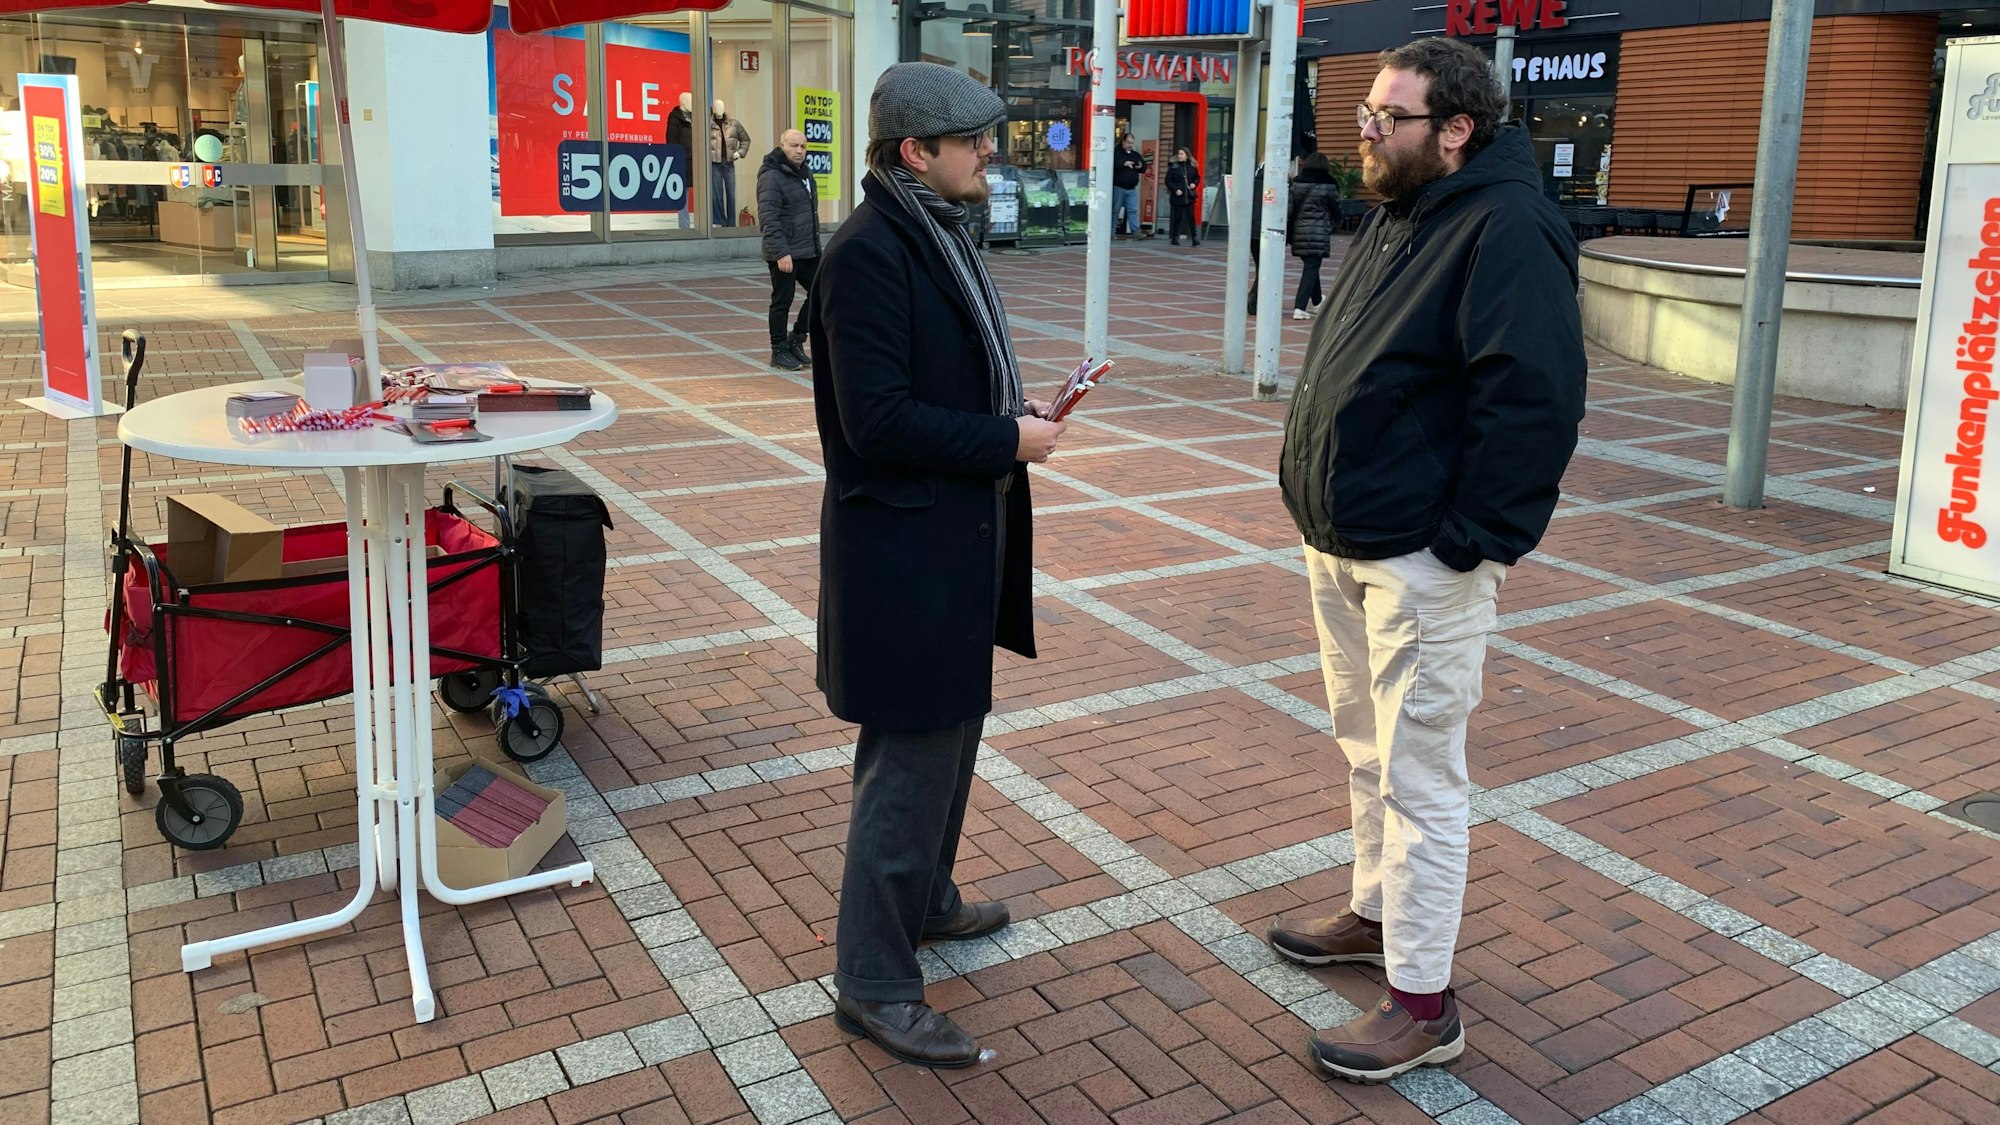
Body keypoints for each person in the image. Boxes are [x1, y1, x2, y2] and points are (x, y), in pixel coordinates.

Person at [1269, 37, 1586, 1084]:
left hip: (1421, 558)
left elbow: (1531, 399)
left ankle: (1421, 1002)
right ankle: (1374, 915)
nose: (1364, 132)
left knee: (1419, 778)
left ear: (1453, 129)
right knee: (1364, 747)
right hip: (1344, 537)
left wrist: (1468, 543)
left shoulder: (1505, 225)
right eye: (1362, 113)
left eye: (1385, 119)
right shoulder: (1400, 212)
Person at [811, 61, 1067, 1069]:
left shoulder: (933, 235)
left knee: (950, 737)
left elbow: (943, 386)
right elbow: (873, 424)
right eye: (973, 143)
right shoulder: (871, 252)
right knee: (908, 764)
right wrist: (1005, 439)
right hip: (904, 556)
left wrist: (1014, 420)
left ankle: (926, 900)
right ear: (915, 152)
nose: (989, 158)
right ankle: (872, 981)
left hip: (950, 545)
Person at [758, 129, 821, 371]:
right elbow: (768, 217)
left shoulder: (804, 173)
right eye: (794, 146)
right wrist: (780, 252)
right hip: (784, 252)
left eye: (803, 147)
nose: (799, 151)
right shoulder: (772, 176)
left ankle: (797, 338)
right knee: (782, 301)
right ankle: (779, 350)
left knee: (821, 291)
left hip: (808, 250)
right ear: (782, 145)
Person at [1286, 152, 1341, 320]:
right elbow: (1337, 210)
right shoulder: (1329, 185)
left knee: (1311, 266)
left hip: (1299, 232)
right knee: (1311, 267)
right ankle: (1300, 307)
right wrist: (1333, 225)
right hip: (1318, 232)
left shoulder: (1296, 184)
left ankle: (1317, 302)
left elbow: (1290, 210)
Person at [710, 100, 752, 227]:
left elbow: (746, 139)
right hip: (714, 162)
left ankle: (731, 223)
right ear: (713, 109)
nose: (719, 109)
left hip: (728, 162)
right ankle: (719, 221)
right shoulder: (708, 124)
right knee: (716, 193)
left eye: (721, 107)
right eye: (717, 107)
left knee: (731, 193)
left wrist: (740, 152)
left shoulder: (733, 124)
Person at [667, 93, 696, 228]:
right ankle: (684, 226)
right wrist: (675, 160)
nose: (692, 103)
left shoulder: (695, 119)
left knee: (703, 191)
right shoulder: (675, 119)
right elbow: (671, 142)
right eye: (690, 101)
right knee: (683, 195)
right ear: (683, 102)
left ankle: (705, 223)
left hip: (696, 160)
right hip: (683, 161)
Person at [1112, 134, 1148, 238]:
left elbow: (1144, 167)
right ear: (1123, 142)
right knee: (1115, 210)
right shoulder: (1116, 152)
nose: (1130, 145)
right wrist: (1124, 163)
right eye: (1128, 143)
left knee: (1133, 210)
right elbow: (1114, 164)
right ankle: (1111, 232)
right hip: (1118, 186)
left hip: (1131, 188)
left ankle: (1136, 231)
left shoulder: (1135, 154)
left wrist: (1140, 166)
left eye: (1131, 143)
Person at [1164, 147, 1200, 247]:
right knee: (1177, 218)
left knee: (1191, 217)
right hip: (1178, 197)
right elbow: (1168, 181)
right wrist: (1175, 190)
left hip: (1189, 197)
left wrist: (1194, 184)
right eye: (1179, 154)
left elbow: (1197, 177)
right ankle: (1175, 238)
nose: (1180, 156)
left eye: (1182, 154)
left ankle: (1194, 237)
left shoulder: (1192, 167)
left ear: (1187, 156)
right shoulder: (1173, 167)